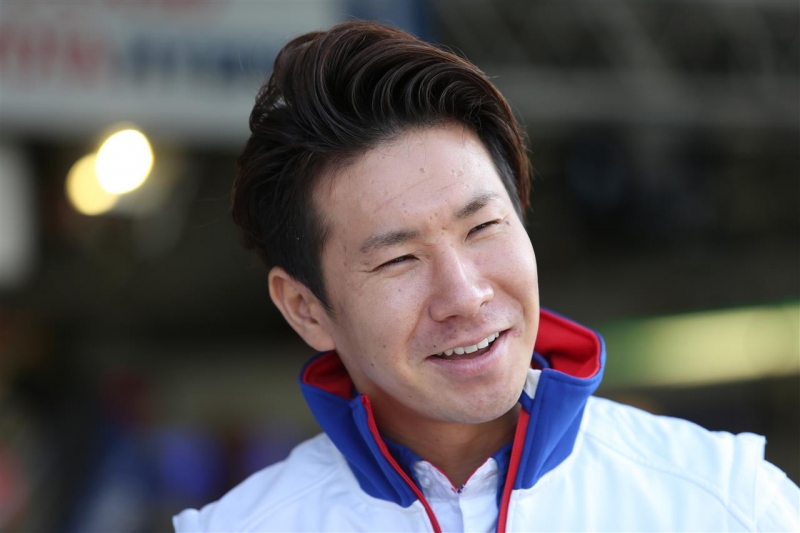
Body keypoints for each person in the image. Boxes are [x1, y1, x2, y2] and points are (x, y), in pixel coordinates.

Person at [174, 20, 799, 532]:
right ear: (305, 308)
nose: (465, 295)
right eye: (399, 259)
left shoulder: (725, 501)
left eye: (483, 228)